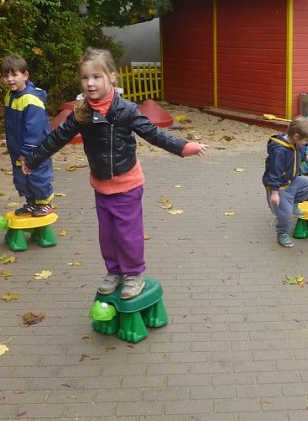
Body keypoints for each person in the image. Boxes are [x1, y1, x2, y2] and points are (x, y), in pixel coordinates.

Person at [23, 48, 207, 300]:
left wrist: (184, 147)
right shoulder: (81, 112)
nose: (90, 83)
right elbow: (57, 138)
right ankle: (115, 272)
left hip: (127, 183)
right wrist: (33, 159)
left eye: (96, 77)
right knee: (107, 235)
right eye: (85, 78)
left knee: (127, 234)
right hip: (101, 186)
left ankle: (133, 274)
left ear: (111, 77)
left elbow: (153, 133)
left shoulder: (126, 110)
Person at [1, 54, 55, 217]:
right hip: (17, 149)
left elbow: (34, 130)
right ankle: (31, 203)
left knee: (38, 176)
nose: (10, 79)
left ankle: (45, 204)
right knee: (21, 178)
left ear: (25, 75)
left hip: (35, 150)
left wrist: (27, 152)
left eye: (14, 75)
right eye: (6, 76)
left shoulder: (31, 100)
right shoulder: (10, 96)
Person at [262, 116, 308, 248]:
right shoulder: (279, 151)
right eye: (306, 140)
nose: (307, 143)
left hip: (292, 180)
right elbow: (274, 173)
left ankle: (294, 204)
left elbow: (298, 152)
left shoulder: (295, 142)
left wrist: (307, 158)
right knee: (286, 216)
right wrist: (274, 193)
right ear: (296, 136)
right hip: (279, 187)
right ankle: (282, 233)